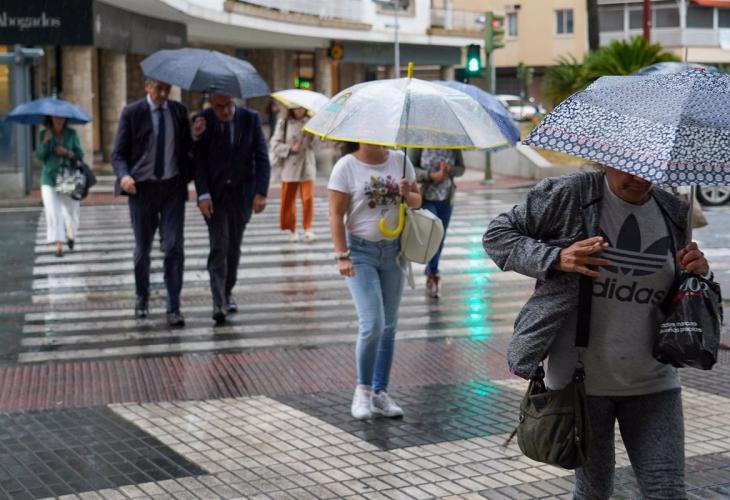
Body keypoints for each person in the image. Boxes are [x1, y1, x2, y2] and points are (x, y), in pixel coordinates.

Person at [482, 166, 713, 499]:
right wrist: (556, 257)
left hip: (654, 378)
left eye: (649, 168)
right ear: (606, 158)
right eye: (631, 166)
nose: (640, 178)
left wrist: (699, 273)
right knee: (594, 491)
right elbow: (497, 235)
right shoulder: (571, 195)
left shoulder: (673, 210)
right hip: (581, 383)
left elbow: (679, 290)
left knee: (667, 490)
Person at [328, 143, 421, 420]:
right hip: (360, 253)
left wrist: (407, 194)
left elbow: (418, 201)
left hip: (394, 252)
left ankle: (380, 392)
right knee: (373, 324)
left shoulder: (400, 160)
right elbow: (335, 214)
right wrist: (341, 255)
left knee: (389, 327)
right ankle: (362, 390)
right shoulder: (346, 166)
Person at [111, 78, 198, 326]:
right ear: (147, 87)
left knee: (174, 247)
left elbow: (187, 148)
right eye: (158, 89)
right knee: (143, 248)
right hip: (142, 189)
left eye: (167, 89)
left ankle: (173, 306)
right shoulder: (132, 113)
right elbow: (118, 153)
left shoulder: (178, 112)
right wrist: (124, 176)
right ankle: (142, 295)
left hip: (172, 188)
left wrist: (196, 135)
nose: (163, 94)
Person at [194, 93, 270, 325]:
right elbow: (198, 161)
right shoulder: (203, 120)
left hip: (241, 195)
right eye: (219, 107)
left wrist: (261, 192)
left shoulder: (250, 118)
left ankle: (227, 291)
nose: (225, 111)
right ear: (211, 104)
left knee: (233, 247)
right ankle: (218, 301)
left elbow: (261, 157)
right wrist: (202, 193)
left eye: (227, 105)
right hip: (215, 197)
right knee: (219, 245)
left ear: (233, 100)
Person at [411, 148, 465, 298]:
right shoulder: (419, 142)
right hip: (426, 197)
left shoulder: (452, 142)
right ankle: (433, 274)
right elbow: (411, 168)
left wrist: (450, 169)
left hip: (446, 198)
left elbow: (461, 168)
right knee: (433, 234)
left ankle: (431, 269)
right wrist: (430, 175)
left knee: (440, 237)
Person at [37, 115, 84, 257]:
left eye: (62, 117)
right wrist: (45, 143)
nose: (59, 119)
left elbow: (80, 155)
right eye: (56, 117)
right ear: (50, 118)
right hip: (48, 178)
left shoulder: (71, 134)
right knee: (53, 212)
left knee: (71, 211)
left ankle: (71, 235)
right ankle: (59, 245)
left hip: (68, 177)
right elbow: (40, 156)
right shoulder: (44, 134)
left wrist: (67, 152)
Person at [269, 106, 317, 242]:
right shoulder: (284, 123)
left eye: (301, 108)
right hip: (290, 165)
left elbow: (317, 146)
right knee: (288, 200)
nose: (299, 111)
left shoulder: (312, 122)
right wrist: (290, 149)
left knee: (308, 199)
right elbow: (274, 144)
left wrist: (314, 135)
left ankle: (308, 228)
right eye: (296, 108)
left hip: (307, 165)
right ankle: (292, 229)